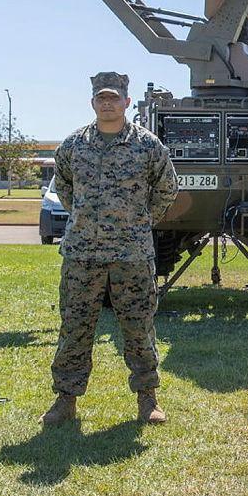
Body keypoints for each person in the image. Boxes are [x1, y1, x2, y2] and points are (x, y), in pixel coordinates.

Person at [40, 71, 178, 426]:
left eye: (114, 97)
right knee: (75, 326)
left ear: (127, 102)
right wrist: (87, 222)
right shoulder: (73, 145)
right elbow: (65, 189)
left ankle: (148, 398)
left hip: (131, 254)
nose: (107, 103)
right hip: (82, 254)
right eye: (101, 98)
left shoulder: (148, 146)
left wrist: (139, 222)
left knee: (138, 327)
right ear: (92, 103)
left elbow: (167, 188)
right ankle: (65, 399)